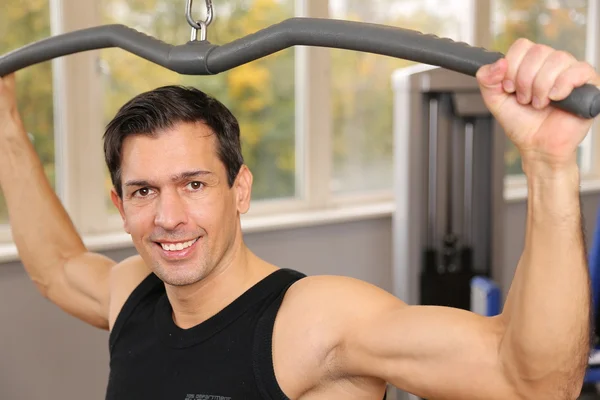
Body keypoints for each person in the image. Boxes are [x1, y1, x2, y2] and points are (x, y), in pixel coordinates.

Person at [0, 37, 596, 400]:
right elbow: (55, 266)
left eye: (194, 184)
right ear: (121, 207)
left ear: (240, 190)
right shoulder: (130, 291)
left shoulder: (313, 322)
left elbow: (535, 383)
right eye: (143, 192)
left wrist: (548, 165)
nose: (169, 217)